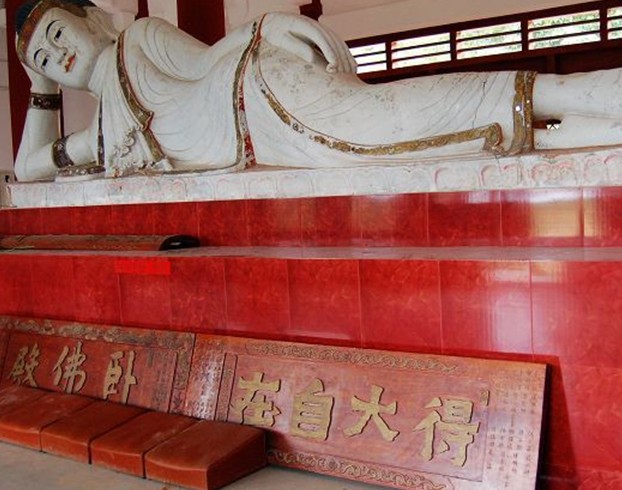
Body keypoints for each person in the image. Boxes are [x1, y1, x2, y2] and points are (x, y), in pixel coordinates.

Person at [13, 0, 622, 182]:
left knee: (389, 124)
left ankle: (583, 91)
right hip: (263, 142)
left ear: (95, 19)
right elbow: (28, 168)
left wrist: (268, 26)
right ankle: (588, 131)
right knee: (402, 144)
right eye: (44, 60)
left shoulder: (138, 39)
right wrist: (41, 89)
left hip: (261, 96)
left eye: (58, 34)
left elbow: (209, 62)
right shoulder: (102, 130)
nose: (57, 56)